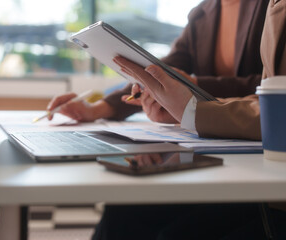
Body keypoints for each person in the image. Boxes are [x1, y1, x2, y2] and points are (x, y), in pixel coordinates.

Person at [93, 0, 286, 239]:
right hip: (227, 145)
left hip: (260, 166)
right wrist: (101, 107)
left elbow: (266, 88)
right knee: (122, 213)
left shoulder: (268, 6)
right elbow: (160, 70)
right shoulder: (203, 12)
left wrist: (191, 97)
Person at [47, 0, 268, 124]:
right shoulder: (202, 13)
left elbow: (275, 83)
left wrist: (191, 86)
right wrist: (96, 109)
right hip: (209, 137)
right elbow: (158, 71)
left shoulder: (273, 7)